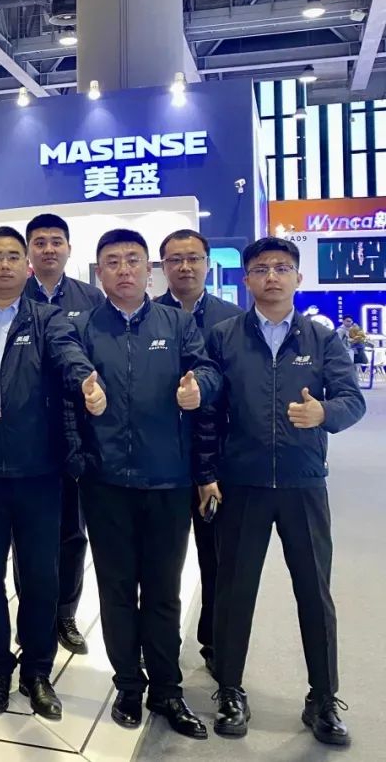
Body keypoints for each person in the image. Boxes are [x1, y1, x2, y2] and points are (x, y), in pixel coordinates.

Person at [197, 237, 365, 745]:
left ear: (297, 277)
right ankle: (230, 690)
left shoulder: (322, 339)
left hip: (302, 483)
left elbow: (351, 400)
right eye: (261, 268)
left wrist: (323, 413)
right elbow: (209, 412)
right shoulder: (224, 337)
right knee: (234, 592)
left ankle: (323, 698)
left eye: (282, 267)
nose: (272, 276)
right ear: (246, 278)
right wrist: (208, 472)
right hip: (242, 483)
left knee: (314, 593)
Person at [0, 226, 103, 719]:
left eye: (14, 256)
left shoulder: (48, 318)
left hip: (39, 471)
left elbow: (68, 354)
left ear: (26, 266)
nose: (5, 264)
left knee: (39, 577)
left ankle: (37, 672)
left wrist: (85, 380)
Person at [71, 228, 219, 740]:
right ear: (100, 272)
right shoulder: (83, 328)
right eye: (113, 262)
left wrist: (200, 388)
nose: (124, 270)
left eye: (133, 260)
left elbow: (207, 371)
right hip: (105, 480)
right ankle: (129, 685)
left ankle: (167, 689)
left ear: (148, 270)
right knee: (116, 590)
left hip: (166, 480)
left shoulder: (176, 323)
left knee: (162, 590)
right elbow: (67, 383)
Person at [154, 228, 242, 678]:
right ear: (163, 267)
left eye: (193, 258)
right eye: (175, 259)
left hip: (218, 461)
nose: (185, 267)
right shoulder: (148, 316)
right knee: (160, 564)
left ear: (208, 263)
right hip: (163, 459)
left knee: (218, 558)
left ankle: (214, 641)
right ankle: (158, 647)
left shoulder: (233, 320)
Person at [23, 213, 105, 656]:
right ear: (29, 250)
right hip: (28, 431)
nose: (49, 249)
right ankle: (32, 614)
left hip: (77, 429)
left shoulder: (90, 298)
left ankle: (65, 614)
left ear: (69, 248)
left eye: (56, 241)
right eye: (40, 242)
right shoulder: (14, 295)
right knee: (28, 534)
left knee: (73, 532)